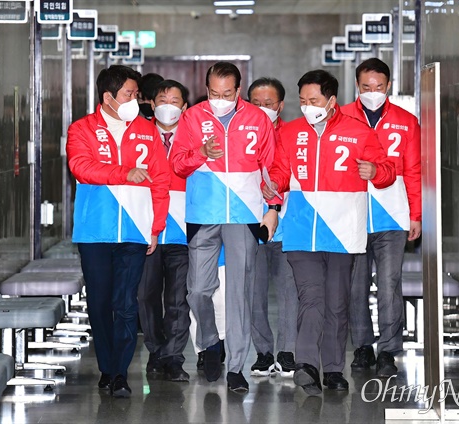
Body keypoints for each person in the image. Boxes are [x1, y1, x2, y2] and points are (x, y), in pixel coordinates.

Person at [266, 69, 396, 396]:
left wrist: (376, 171)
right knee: (311, 298)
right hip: (300, 231)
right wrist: (273, 183)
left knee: (337, 303)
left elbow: (387, 172)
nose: (307, 106)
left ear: (331, 100)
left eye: (314, 100)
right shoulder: (291, 132)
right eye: (303, 101)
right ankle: (307, 364)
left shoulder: (359, 131)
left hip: (342, 232)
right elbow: (281, 172)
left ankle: (334, 369)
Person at [169, 61, 277, 393]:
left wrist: (273, 207)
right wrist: (200, 153)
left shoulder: (258, 119)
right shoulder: (192, 118)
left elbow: (271, 168)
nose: (220, 99)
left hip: (244, 214)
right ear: (206, 89)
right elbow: (177, 164)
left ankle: (236, 368)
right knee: (198, 290)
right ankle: (209, 340)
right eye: (214, 93)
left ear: (238, 91)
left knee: (239, 294)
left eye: (226, 93)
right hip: (203, 214)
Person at [66, 65, 170, 398]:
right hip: (94, 231)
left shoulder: (147, 131)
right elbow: (81, 167)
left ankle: (121, 373)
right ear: (108, 97)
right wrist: (125, 173)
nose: (134, 100)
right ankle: (107, 367)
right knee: (99, 303)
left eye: (136, 95)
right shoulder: (82, 128)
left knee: (126, 303)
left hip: (135, 230)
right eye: (129, 94)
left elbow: (161, 180)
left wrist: (157, 226)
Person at [342, 58, 422, 378]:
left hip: (393, 214)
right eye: (365, 87)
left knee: (389, 284)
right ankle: (362, 346)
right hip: (352, 214)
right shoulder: (342, 117)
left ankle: (388, 349)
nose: (372, 92)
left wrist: (416, 215)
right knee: (355, 285)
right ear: (357, 87)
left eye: (378, 87)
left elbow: (414, 171)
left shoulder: (406, 121)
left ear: (388, 86)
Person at [137, 79, 191, 382]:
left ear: (184, 106)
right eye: (162, 99)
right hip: (148, 228)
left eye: (175, 100)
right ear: (152, 104)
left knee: (177, 298)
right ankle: (156, 350)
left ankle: (173, 357)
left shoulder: (194, 135)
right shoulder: (138, 134)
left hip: (183, 228)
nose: (168, 105)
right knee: (145, 294)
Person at [247, 77, 298, 378]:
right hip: (252, 222)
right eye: (256, 104)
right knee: (254, 291)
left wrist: (275, 200)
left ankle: (287, 352)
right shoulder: (241, 135)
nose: (263, 109)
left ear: (280, 105)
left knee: (289, 289)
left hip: (288, 222)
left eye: (269, 104)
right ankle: (263, 352)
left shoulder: (292, 135)